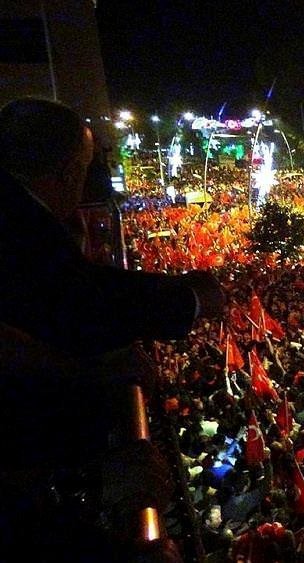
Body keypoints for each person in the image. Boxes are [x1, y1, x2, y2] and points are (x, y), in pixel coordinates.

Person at [0, 97, 226, 560]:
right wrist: (190, 298)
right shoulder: (17, 224)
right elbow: (74, 299)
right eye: (85, 169)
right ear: (66, 171)